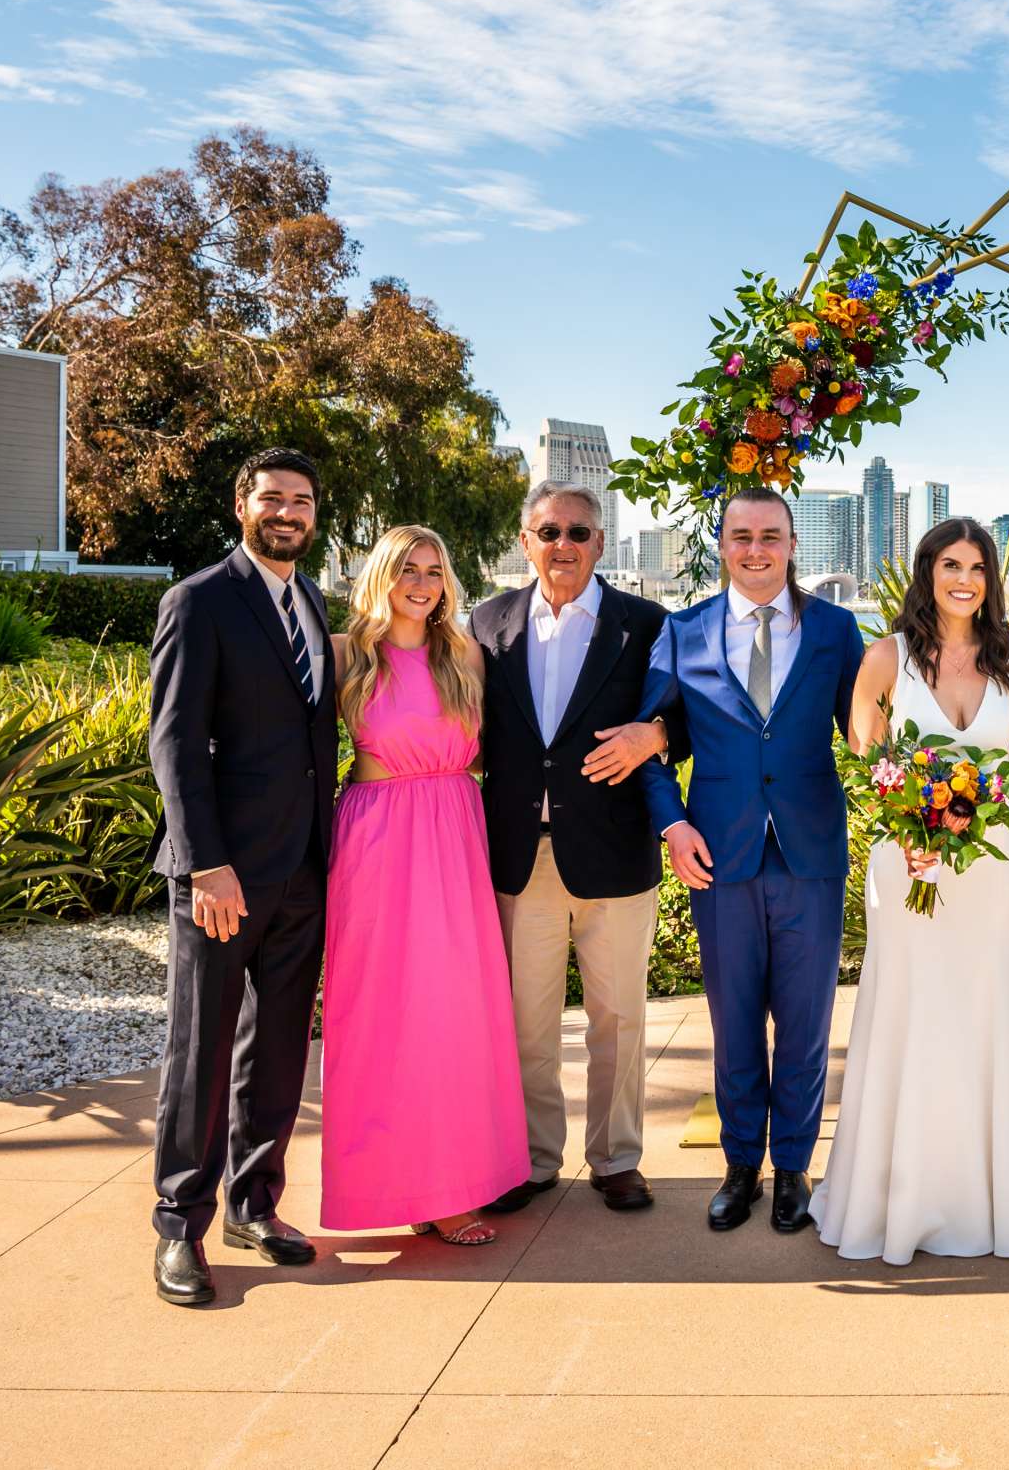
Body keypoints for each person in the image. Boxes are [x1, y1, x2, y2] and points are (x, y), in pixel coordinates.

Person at [812, 518, 1009, 1264]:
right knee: (911, 1012)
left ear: (991, 579)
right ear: (928, 572)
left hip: (990, 865)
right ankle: (899, 1194)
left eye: (977, 567)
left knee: (988, 1009)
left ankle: (999, 1194)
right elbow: (866, 768)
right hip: (908, 861)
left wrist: (982, 820)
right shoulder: (885, 659)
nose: (965, 579)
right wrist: (912, 829)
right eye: (951, 564)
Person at [636, 489, 865, 1234]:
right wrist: (672, 824)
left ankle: (794, 1166)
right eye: (741, 536)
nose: (756, 549)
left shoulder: (836, 629)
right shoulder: (683, 630)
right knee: (733, 1021)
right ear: (723, 543)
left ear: (794, 543)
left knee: (805, 1022)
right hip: (719, 854)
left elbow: (868, 736)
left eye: (771, 535)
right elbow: (647, 743)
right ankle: (741, 1166)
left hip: (810, 854)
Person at [146, 448, 339, 1306]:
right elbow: (176, 742)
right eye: (273, 499)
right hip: (224, 874)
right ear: (242, 506)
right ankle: (178, 1228)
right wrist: (203, 865)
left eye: (300, 501)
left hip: (303, 869)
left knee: (278, 1050)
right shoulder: (198, 601)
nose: (287, 512)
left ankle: (254, 1205)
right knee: (202, 1051)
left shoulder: (311, 600)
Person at [319, 526, 528, 1245]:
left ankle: (455, 1183)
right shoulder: (347, 655)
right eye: (409, 569)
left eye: (435, 571)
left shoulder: (465, 653)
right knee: (382, 1017)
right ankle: (392, 1182)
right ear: (382, 573)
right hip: (378, 839)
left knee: (456, 1015)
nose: (423, 583)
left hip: (457, 833)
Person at [468, 483, 671, 1218]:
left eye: (579, 532)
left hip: (616, 853)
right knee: (527, 1020)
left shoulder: (645, 624)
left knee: (620, 1016)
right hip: (520, 853)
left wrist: (657, 735)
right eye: (548, 530)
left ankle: (617, 1159)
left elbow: (690, 710)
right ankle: (530, 1159)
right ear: (526, 542)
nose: (564, 544)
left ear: (601, 542)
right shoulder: (485, 624)